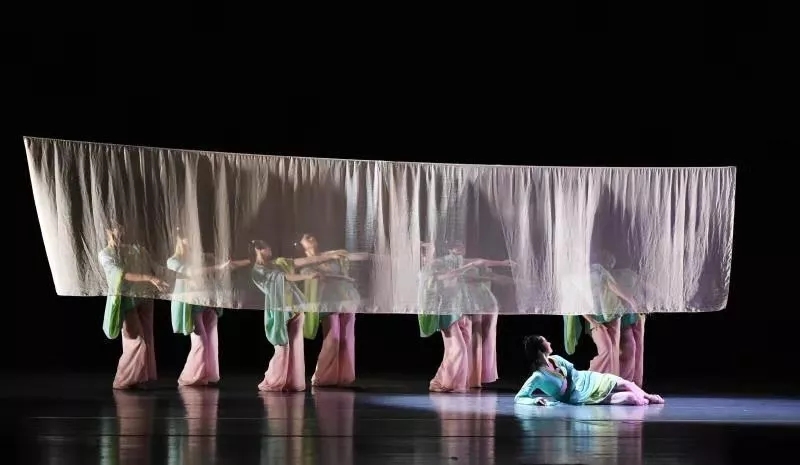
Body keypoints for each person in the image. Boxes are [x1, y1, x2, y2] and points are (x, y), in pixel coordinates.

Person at [228, 240, 320, 391]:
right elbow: (284, 277)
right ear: (259, 249)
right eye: (267, 248)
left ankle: (294, 381)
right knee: (282, 347)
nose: (270, 250)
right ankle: (276, 379)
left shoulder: (276, 264)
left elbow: (293, 267)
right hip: (279, 307)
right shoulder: (258, 271)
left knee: (296, 346)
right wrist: (307, 276)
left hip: (295, 305)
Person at [98, 220, 169, 389]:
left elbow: (154, 266)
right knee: (136, 341)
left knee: (146, 340)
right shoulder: (105, 254)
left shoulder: (134, 250)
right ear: (108, 231)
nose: (120, 234)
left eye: (122, 231)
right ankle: (123, 380)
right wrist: (149, 278)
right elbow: (120, 274)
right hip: (124, 301)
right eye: (117, 231)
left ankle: (138, 378)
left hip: (142, 297)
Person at [295, 233, 368, 387]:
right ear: (300, 245)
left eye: (310, 235)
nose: (310, 237)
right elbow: (309, 277)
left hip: (346, 297)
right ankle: (321, 376)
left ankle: (343, 376)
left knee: (347, 338)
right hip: (328, 302)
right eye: (305, 237)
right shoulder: (305, 264)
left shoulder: (332, 255)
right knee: (333, 337)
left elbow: (353, 258)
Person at [514, 335, 664, 406]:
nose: (549, 342)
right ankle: (643, 399)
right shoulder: (538, 376)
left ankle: (649, 396)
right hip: (579, 395)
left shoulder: (556, 358)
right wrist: (535, 401)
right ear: (540, 349)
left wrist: (570, 381)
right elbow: (519, 397)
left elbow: (572, 372)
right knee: (634, 400)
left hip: (586, 379)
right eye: (545, 341)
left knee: (626, 383)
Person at [166, 227, 230, 386]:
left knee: (211, 342)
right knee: (200, 341)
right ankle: (190, 377)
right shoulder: (174, 260)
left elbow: (222, 263)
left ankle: (206, 375)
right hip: (192, 306)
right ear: (180, 239)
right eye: (188, 237)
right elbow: (193, 271)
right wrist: (217, 267)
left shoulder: (202, 257)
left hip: (207, 302)